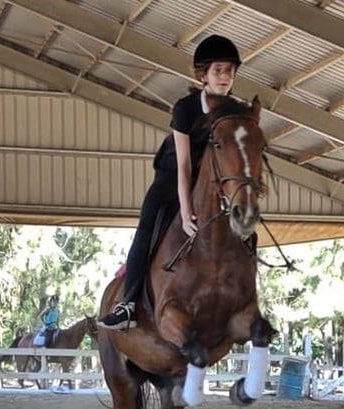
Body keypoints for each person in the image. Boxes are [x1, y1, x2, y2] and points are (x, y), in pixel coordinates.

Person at [98, 34, 242, 331]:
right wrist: (187, 209)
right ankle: (127, 304)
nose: (225, 77)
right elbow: (184, 164)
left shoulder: (235, 111)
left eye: (230, 71)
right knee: (147, 228)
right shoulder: (185, 108)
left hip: (210, 186)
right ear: (204, 75)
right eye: (219, 70)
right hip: (170, 179)